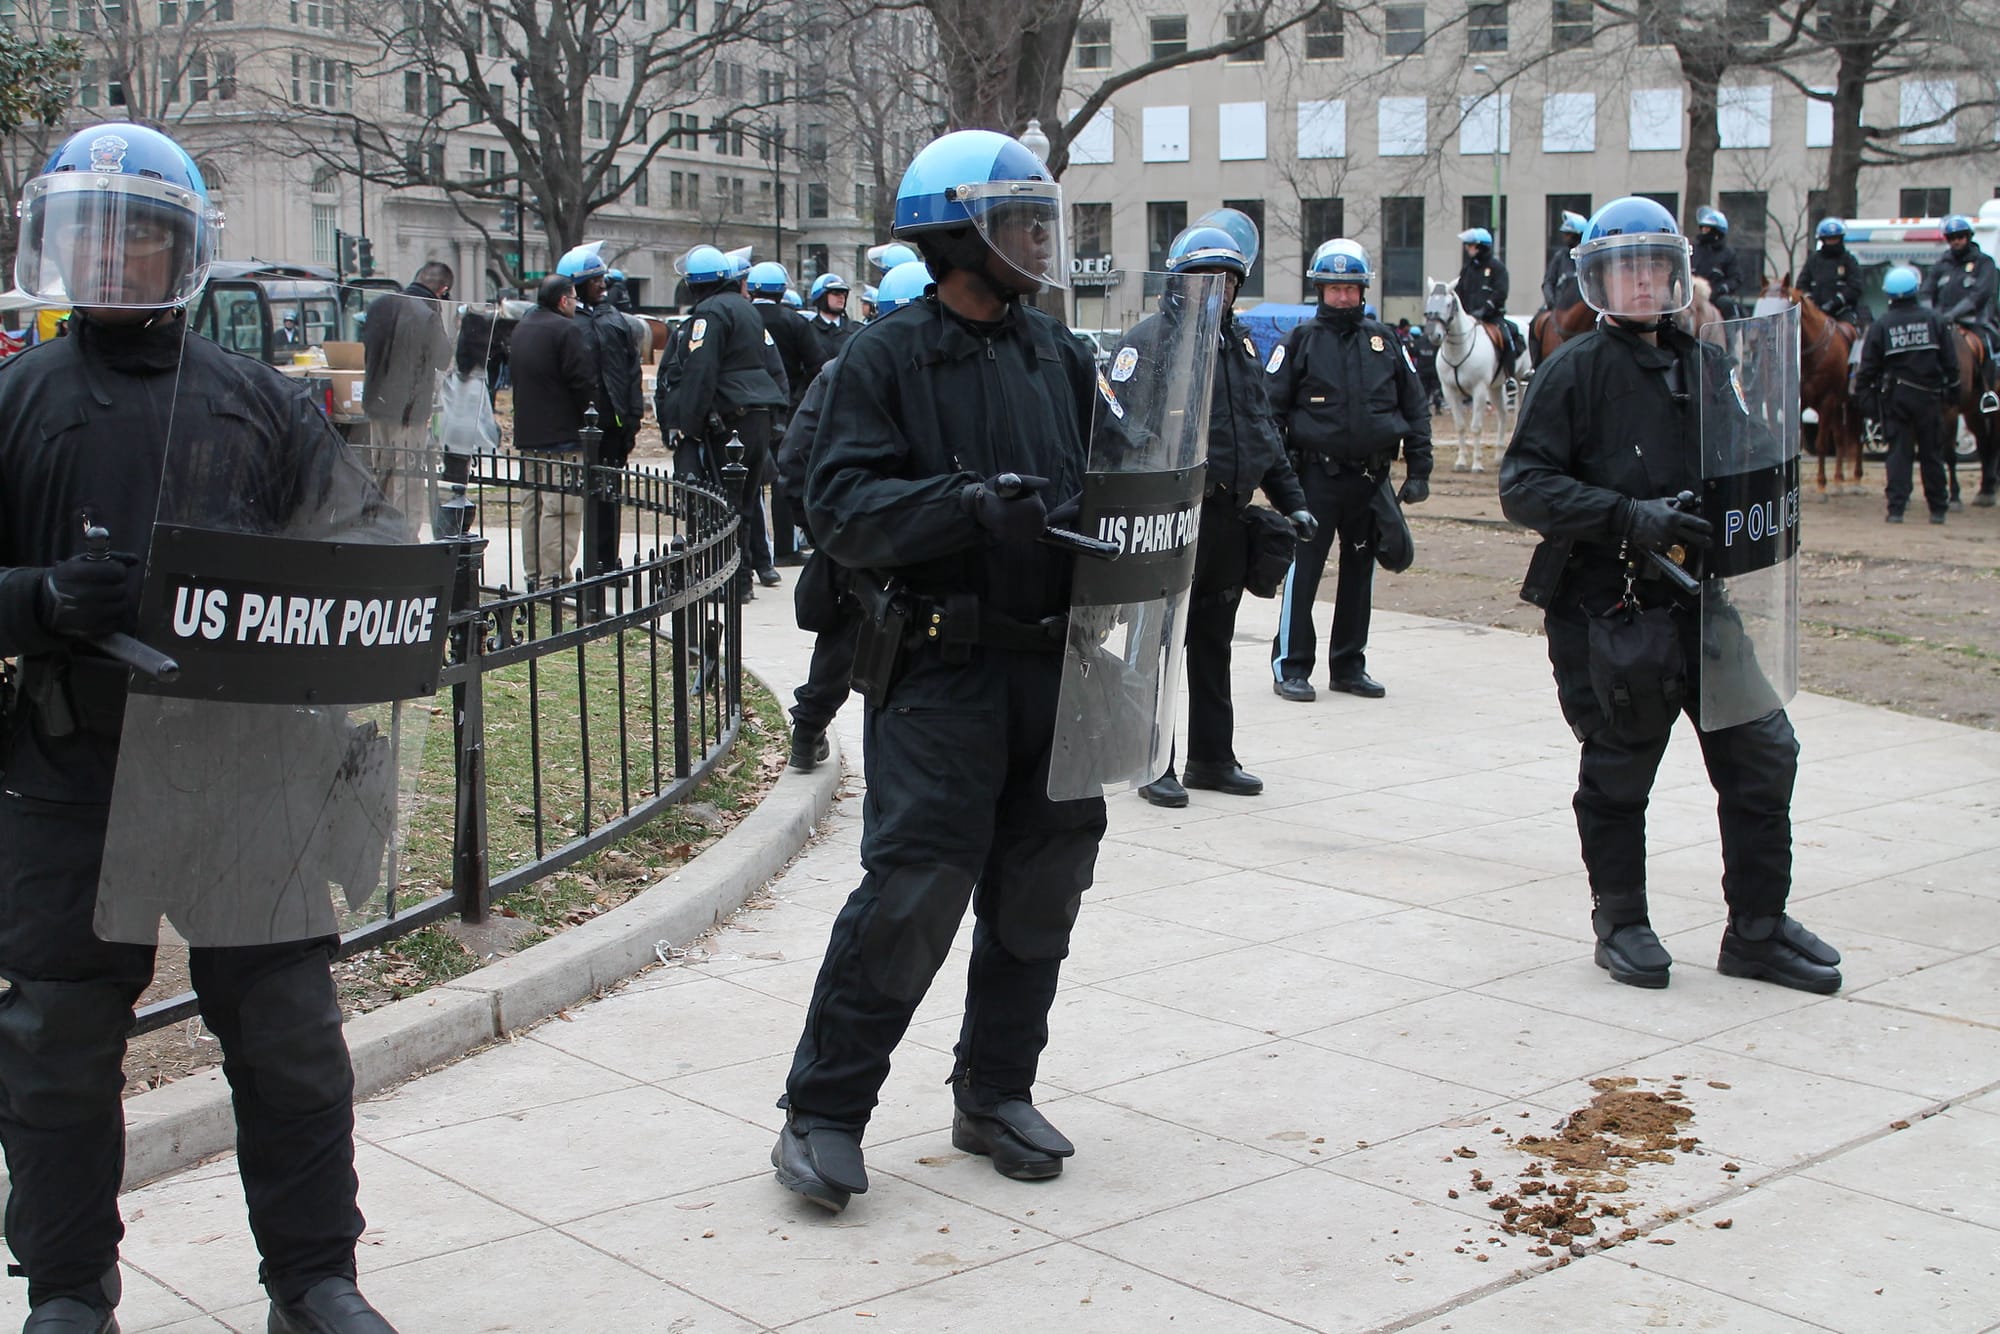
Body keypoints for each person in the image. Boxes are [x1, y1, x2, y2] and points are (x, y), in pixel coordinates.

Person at [0, 121, 402, 1334]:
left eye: (142, 238)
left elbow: (362, 543)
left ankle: (313, 1275)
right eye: (94, 237)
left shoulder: (259, 405)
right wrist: (33, 599)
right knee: (57, 1050)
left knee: (288, 1039)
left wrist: (409, 589)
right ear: (59, 247)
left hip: (245, 778)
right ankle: (71, 1288)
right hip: (72, 766)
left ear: (187, 251)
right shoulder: (14, 398)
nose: (116, 259)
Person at [774, 129, 1107, 1214]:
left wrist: (1214, 532)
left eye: (1037, 221)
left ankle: (994, 1091)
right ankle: (823, 1111)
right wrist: (960, 505)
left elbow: (1115, 481)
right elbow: (837, 510)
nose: (1036, 242)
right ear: (958, 236)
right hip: (936, 669)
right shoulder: (881, 358)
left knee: (1040, 888)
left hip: (1051, 671)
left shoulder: (1057, 354)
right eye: (1018, 223)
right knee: (915, 889)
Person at [1499, 195, 1842, 996]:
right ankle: (1621, 922)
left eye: (1654, 266)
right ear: (1599, 281)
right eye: (1625, 268)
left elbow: (1747, 454)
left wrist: (1764, 496)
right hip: (1611, 605)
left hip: (1705, 605)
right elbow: (1524, 487)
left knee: (1765, 754)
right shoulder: (1571, 369)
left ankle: (1756, 928)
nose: (1643, 283)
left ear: (1675, 273)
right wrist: (1626, 515)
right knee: (1619, 775)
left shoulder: (1703, 361)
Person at [1117, 223, 1313, 807]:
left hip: (1227, 516)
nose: (1219, 290)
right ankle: (1151, 760)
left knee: (1213, 641)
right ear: (1179, 282)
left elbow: (1260, 430)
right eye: (1207, 279)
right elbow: (1118, 429)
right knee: (1157, 645)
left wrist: (1293, 499)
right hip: (1171, 517)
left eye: (1228, 280)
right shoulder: (1149, 340)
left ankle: (1211, 758)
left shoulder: (1240, 344)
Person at [774, 261, 935, 773]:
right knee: (853, 635)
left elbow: (794, 460)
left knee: (847, 638)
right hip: (897, 537)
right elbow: (797, 461)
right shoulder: (858, 371)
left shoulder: (843, 368)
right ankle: (811, 730)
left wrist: (825, 528)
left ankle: (809, 728)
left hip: (871, 537)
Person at [1267, 238, 1432, 701]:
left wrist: (1420, 468)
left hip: (1370, 480)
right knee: (1304, 573)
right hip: (1315, 479)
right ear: (1319, 290)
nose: (1343, 297)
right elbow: (1270, 414)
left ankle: (1349, 665)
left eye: (1351, 288)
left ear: (1363, 290)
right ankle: (1291, 666)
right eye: (1334, 288)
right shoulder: (1300, 342)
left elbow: (1415, 407)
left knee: (1361, 572)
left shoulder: (1385, 341)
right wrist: (1280, 481)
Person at [657, 244, 788, 603]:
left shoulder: (709, 314)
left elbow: (702, 369)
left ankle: (728, 581)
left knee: (724, 504)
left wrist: (690, 422)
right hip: (757, 413)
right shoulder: (746, 310)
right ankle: (741, 580)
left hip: (730, 416)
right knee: (745, 503)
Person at [559, 243, 647, 590]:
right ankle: (590, 564)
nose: (602, 283)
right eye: (594, 279)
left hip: (614, 422)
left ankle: (607, 562)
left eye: (602, 278)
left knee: (610, 494)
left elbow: (632, 370)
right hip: (579, 425)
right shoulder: (569, 324)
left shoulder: (614, 319)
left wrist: (634, 414)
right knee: (581, 498)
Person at [508, 273, 595, 591]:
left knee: (534, 506)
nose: (575, 304)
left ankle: (534, 573)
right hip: (562, 435)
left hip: (529, 434)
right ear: (563, 300)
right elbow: (581, 382)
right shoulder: (566, 330)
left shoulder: (523, 328)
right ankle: (554, 579)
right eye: (573, 298)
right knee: (561, 509)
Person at [1860, 265, 1960, 524]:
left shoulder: (1881, 325)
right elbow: (1951, 363)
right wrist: (1953, 392)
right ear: (1916, 290)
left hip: (1896, 400)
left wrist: (1868, 404)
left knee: (1898, 455)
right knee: (1932, 455)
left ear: (1889, 295)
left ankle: (1896, 510)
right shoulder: (1935, 320)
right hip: (1929, 398)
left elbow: (1868, 370)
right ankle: (1938, 509)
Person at [359, 260, 453, 529]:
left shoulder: (379, 306)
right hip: (409, 411)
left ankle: (380, 531)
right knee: (408, 480)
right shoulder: (426, 314)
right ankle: (405, 537)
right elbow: (443, 358)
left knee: (382, 473)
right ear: (442, 290)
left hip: (377, 404)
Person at [748, 259, 822, 568]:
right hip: (789, 408)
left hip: (750, 408)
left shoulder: (745, 318)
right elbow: (816, 363)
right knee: (782, 476)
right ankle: (785, 546)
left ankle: (756, 551)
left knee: (750, 479)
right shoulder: (794, 322)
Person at [1919, 213, 2000, 414]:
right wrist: (1932, 314)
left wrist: (1953, 314)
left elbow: (1979, 295)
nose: (1956, 241)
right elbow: (1926, 292)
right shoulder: (1941, 265)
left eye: (1960, 237)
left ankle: (1988, 394)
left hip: (1976, 321)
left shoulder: (1984, 263)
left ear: (1968, 237)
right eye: (1952, 238)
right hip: (1941, 322)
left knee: (1989, 346)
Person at [1455, 226, 1521, 377]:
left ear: (1480, 247)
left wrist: (1485, 310)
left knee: (1507, 339)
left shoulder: (1497, 268)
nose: (1467, 248)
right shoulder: (1468, 268)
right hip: (1469, 318)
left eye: (1470, 245)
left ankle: (1509, 377)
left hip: (1492, 318)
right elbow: (1459, 291)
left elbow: (1501, 292)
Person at [1800, 218, 1865, 326]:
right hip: (1815, 313)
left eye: (1835, 239)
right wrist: (1810, 300)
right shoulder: (1813, 260)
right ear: (1822, 240)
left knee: (1849, 334)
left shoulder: (1849, 260)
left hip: (1843, 313)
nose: (1832, 243)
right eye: (1829, 239)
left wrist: (1836, 301)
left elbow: (1856, 286)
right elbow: (1801, 284)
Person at [1689, 206, 1745, 319]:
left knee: (1728, 304)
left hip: (1716, 296)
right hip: (1692, 294)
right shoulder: (1693, 249)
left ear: (1717, 231)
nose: (1704, 231)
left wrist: (1722, 288)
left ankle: (1733, 336)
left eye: (1707, 228)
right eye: (1702, 228)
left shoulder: (1728, 253)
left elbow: (1736, 278)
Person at [1541, 211, 1587, 313]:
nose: (1564, 237)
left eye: (1568, 234)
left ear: (1578, 235)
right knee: (1536, 321)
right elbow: (1548, 283)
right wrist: (1552, 304)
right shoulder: (1559, 257)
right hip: (1559, 309)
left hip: (1585, 311)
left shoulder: (1589, 257)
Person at [805, 272, 855, 357]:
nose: (841, 297)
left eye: (844, 293)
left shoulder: (856, 330)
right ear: (821, 297)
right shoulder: (807, 332)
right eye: (836, 293)